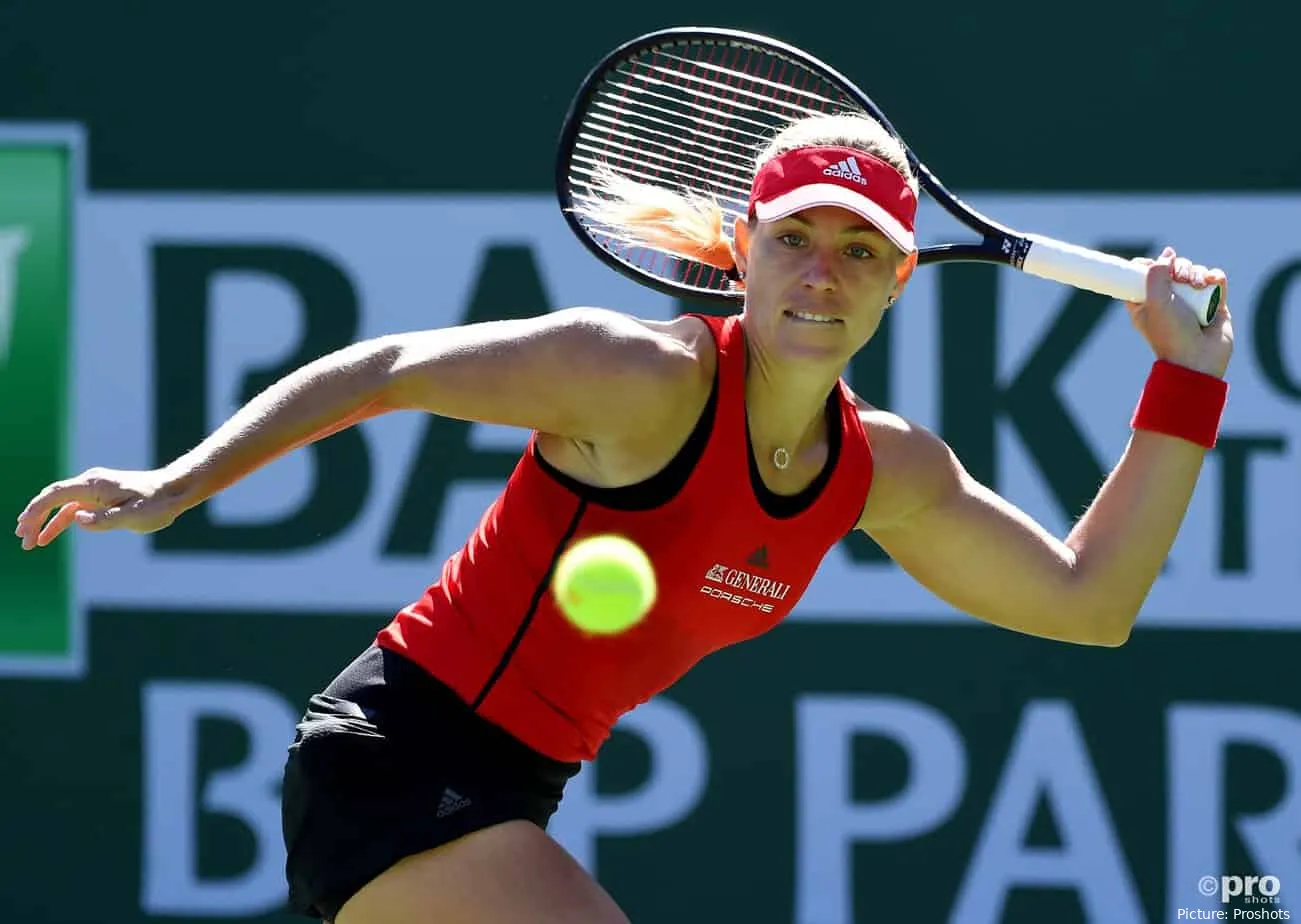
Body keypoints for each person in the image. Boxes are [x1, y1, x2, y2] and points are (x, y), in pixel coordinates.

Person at [13, 110, 1232, 924]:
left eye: (857, 252)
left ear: (899, 276)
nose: (820, 275)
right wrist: (175, 482)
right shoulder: (634, 375)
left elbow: (1089, 603)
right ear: (742, 251)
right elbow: (386, 366)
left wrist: (1186, 378)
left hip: (514, 793)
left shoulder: (884, 470)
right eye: (793, 240)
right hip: (395, 765)